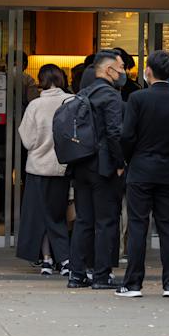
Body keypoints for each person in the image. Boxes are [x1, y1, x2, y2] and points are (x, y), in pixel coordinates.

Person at [116, 50, 169, 298]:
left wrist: (129, 159)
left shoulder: (137, 99)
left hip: (140, 169)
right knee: (167, 226)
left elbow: (127, 136)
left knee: (138, 225)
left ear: (148, 71)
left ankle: (133, 284)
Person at [66, 50, 127, 290]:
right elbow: (114, 133)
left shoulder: (83, 93)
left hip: (80, 164)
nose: (124, 72)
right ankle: (101, 275)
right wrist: (120, 163)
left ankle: (76, 274)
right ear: (108, 70)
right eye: (121, 67)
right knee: (105, 221)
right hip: (102, 167)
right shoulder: (110, 96)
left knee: (83, 220)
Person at [17, 64, 72, 276]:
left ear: (41, 80)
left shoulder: (35, 105)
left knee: (39, 215)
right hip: (63, 168)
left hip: (38, 168)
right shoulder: (72, 101)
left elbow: (28, 141)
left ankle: (48, 259)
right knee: (57, 215)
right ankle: (65, 260)